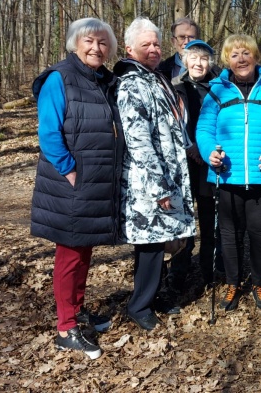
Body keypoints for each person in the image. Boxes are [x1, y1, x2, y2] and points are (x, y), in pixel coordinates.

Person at [31, 17, 123, 359]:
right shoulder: (60, 78)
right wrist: (70, 171)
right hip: (72, 182)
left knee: (84, 251)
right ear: (75, 43)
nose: (96, 48)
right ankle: (65, 328)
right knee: (69, 255)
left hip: (96, 181)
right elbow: (49, 132)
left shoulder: (104, 81)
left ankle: (77, 310)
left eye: (102, 42)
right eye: (89, 41)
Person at [196, 34, 261, 311]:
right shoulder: (217, 92)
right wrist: (209, 152)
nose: (241, 59)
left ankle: (259, 283)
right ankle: (233, 284)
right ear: (227, 60)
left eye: (246, 53)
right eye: (235, 54)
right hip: (227, 175)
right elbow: (204, 129)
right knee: (229, 235)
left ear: (256, 57)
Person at [113, 17, 196, 331]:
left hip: (169, 174)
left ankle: (153, 295)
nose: (153, 49)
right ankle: (139, 306)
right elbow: (138, 141)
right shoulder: (131, 83)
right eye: (146, 44)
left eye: (157, 44)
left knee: (161, 241)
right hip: (148, 182)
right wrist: (159, 187)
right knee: (149, 244)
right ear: (129, 48)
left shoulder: (156, 78)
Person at [171, 39, 223, 287]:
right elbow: (170, 124)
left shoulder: (219, 88)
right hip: (183, 163)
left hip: (210, 164)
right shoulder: (174, 86)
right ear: (185, 60)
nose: (198, 63)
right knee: (183, 220)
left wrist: (206, 150)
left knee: (211, 220)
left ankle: (210, 271)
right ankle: (179, 272)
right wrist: (189, 146)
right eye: (194, 58)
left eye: (203, 59)